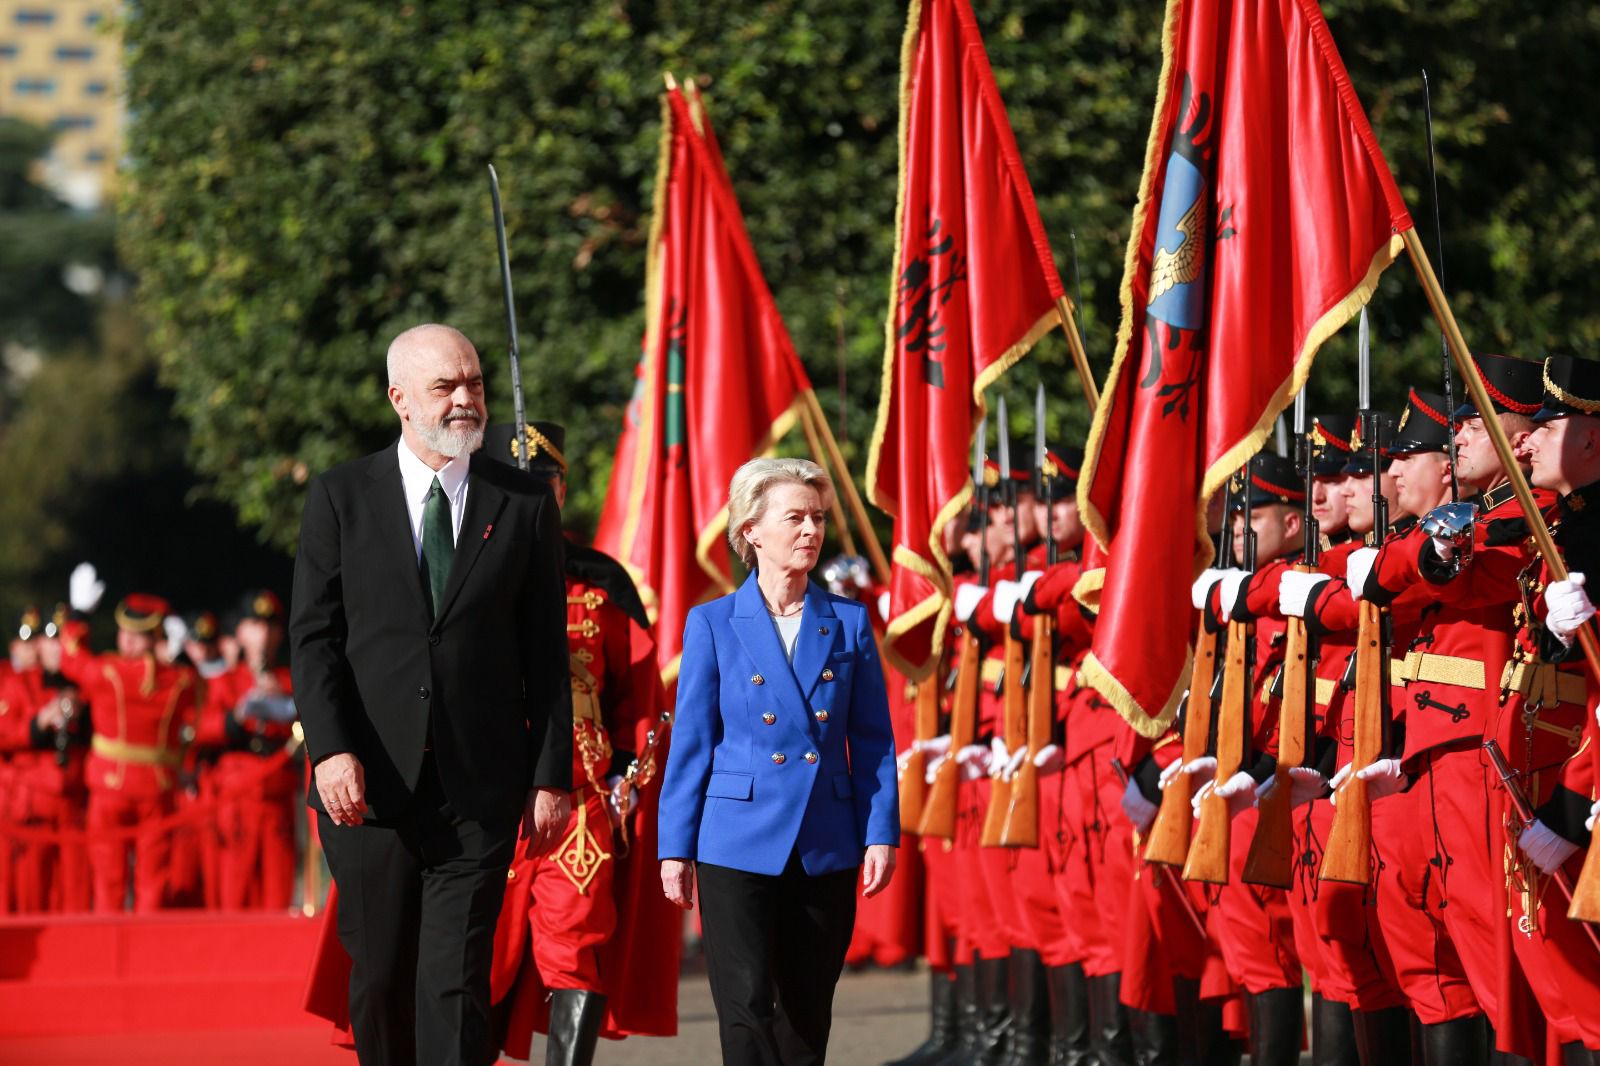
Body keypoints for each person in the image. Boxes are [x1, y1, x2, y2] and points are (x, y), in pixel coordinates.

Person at [290, 323, 573, 1066]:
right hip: (367, 788)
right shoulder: (341, 496)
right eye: (444, 387)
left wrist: (550, 777)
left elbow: (547, 656)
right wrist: (331, 750)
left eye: (473, 384)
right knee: (382, 978)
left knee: (454, 986)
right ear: (400, 399)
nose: (464, 401)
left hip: (477, 790)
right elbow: (313, 640)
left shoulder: (523, 502)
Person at [658, 456, 899, 1065]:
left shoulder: (847, 623)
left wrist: (880, 832)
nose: (811, 531)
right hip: (735, 840)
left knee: (807, 1012)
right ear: (752, 532)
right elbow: (691, 743)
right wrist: (673, 847)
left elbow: (872, 740)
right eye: (794, 517)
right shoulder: (713, 623)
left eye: (817, 518)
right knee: (743, 1008)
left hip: (825, 839)